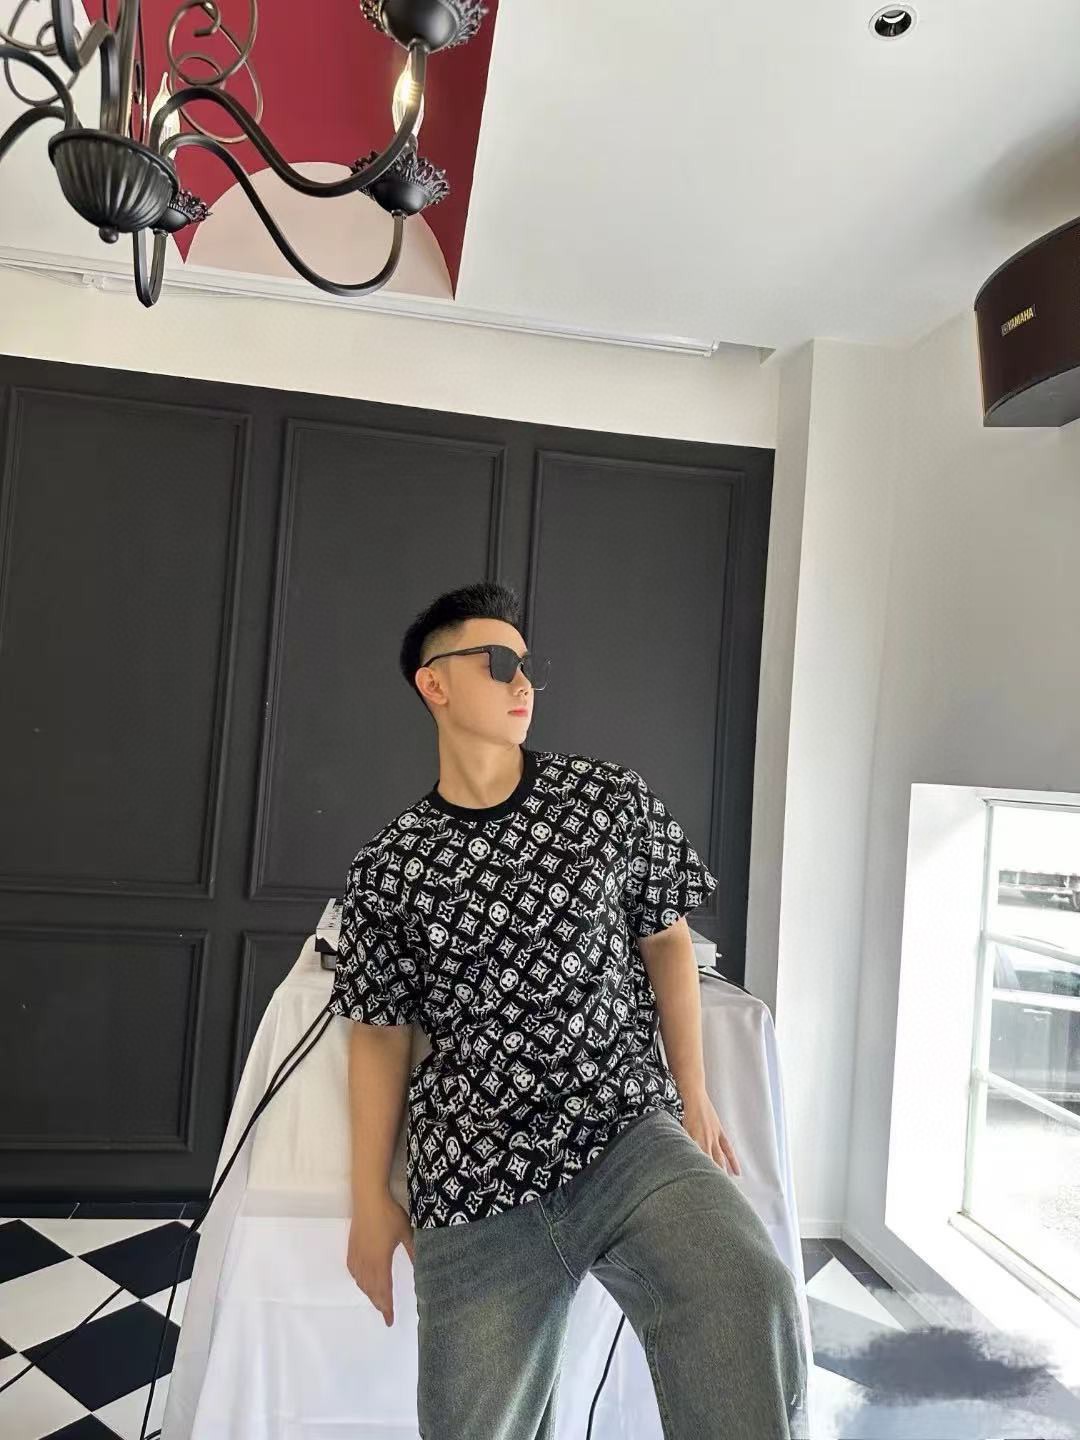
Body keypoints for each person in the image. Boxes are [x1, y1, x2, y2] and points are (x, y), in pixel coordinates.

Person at [328, 580, 808, 1439]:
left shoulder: (607, 800)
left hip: (623, 1133)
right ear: (434, 683)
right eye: (497, 661)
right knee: (469, 1426)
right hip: (475, 1175)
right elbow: (379, 1034)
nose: (523, 682)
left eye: (528, 665)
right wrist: (370, 1197)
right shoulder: (390, 867)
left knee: (746, 1287)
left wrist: (691, 1092)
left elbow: (667, 940)